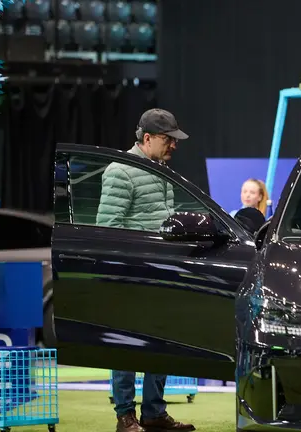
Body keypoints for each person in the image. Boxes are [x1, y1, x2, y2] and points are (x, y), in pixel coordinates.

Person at [96, 108, 196, 432]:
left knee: (161, 345)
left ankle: (154, 414)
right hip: (130, 276)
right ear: (148, 138)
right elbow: (108, 230)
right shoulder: (120, 171)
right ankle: (125, 416)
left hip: (160, 275)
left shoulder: (160, 168)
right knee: (126, 350)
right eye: (169, 140)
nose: (174, 146)